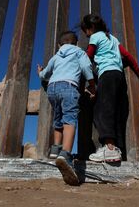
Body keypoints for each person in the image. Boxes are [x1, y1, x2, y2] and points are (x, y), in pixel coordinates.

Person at [80, 13, 139, 163]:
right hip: (119, 76)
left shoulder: (96, 36)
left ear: (92, 28)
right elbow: (126, 55)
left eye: (86, 32)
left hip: (106, 75)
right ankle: (118, 150)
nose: (87, 36)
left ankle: (109, 149)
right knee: (117, 113)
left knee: (102, 110)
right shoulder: (112, 38)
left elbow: (88, 55)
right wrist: (137, 69)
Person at [38, 31, 96, 185]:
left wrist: (40, 73)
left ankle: (55, 150)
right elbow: (86, 66)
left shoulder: (56, 56)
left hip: (52, 88)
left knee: (58, 116)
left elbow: (45, 73)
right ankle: (66, 154)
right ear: (75, 43)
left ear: (59, 44)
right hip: (69, 86)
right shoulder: (79, 52)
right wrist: (91, 83)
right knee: (69, 119)